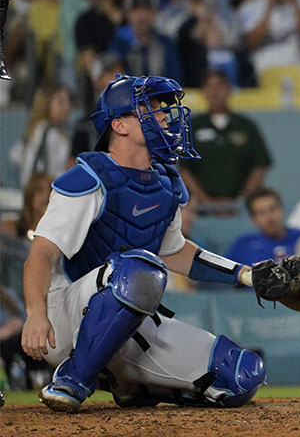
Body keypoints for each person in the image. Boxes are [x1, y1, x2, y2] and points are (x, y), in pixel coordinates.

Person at [20, 74, 267, 412]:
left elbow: (176, 252)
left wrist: (247, 275)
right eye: (149, 108)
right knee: (139, 268)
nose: (164, 115)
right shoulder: (89, 176)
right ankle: (73, 378)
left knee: (241, 376)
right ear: (119, 126)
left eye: (163, 108)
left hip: (131, 319)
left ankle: (134, 384)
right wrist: (35, 314)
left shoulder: (166, 182)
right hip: (65, 320)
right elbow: (41, 254)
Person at [178, 69, 272, 207]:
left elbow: (260, 164)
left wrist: (243, 200)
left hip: (239, 208)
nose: (215, 92)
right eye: (209, 87)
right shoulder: (192, 126)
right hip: (200, 208)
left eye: (220, 86)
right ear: (203, 92)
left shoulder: (246, 126)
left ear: (229, 89)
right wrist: (204, 200)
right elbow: (183, 168)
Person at [225, 187, 300, 281]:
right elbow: (225, 278)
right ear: (253, 219)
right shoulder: (244, 244)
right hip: (259, 303)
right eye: (261, 213)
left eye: (272, 209)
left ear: (282, 209)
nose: (269, 217)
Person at [9, 82, 73, 188]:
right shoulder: (48, 132)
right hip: (47, 195)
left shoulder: (36, 129)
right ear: (45, 104)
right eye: (61, 102)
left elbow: (15, 155)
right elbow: (47, 169)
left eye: (68, 101)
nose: (67, 106)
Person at [0, 172, 53, 241]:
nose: (47, 196)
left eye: (51, 191)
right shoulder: (13, 227)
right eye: (40, 190)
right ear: (30, 195)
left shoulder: (57, 232)